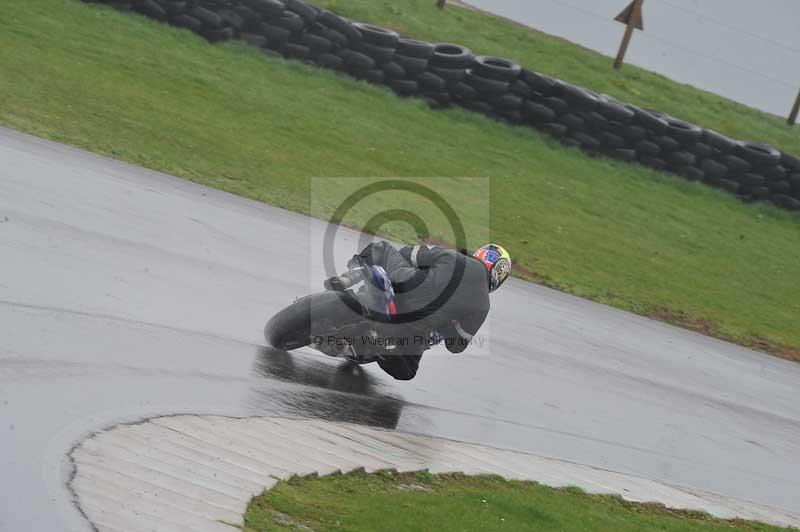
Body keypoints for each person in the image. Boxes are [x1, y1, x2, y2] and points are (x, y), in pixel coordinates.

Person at [325, 242, 511, 380]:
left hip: (402, 289)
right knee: (407, 372)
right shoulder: (483, 305)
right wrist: (447, 326)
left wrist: (422, 268)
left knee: (380, 248)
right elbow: (456, 345)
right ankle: (384, 345)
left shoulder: (452, 256)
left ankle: (351, 276)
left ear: (481, 254)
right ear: (499, 276)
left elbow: (409, 253)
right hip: (416, 327)